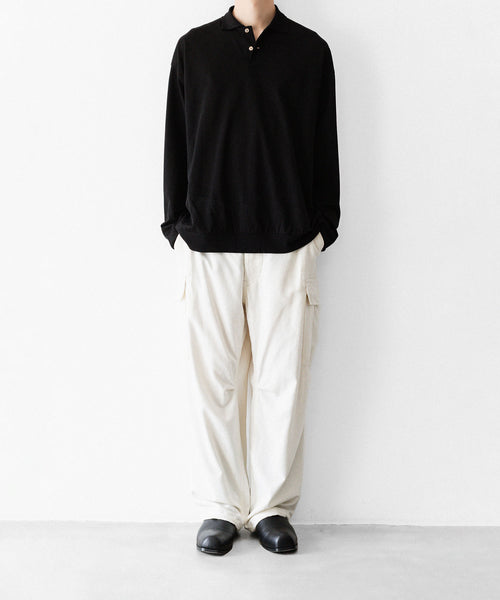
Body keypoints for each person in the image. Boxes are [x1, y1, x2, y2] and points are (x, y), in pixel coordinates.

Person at [161, 1, 340, 555]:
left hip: (287, 242)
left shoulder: (310, 51)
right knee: (212, 382)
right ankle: (219, 507)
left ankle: (270, 508)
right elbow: (176, 142)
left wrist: (321, 228)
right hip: (207, 242)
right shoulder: (194, 49)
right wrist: (176, 227)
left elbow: (324, 145)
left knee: (282, 380)